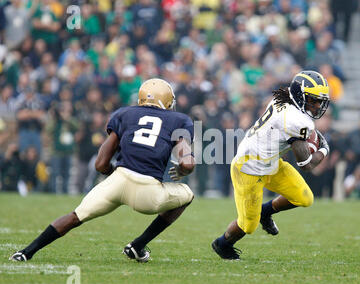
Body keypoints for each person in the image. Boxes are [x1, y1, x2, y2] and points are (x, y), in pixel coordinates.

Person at [9, 78, 196, 263]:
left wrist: (113, 172)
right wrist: (181, 170)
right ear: (168, 101)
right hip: (148, 193)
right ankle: (138, 245)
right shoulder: (180, 120)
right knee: (187, 195)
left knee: (75, 217)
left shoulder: (124, 114)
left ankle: (26, 252)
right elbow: (187, 164)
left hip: (117, 181)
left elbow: (100, 164)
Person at [211, 71, 331, 260]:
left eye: (319, 101)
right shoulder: (296, 120)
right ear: (300, 96)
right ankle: (223, 244)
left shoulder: (284, 99)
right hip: (248, 168)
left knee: (304, 198)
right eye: (313, 100)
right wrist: (324, 149)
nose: (317, 106)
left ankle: (265, 212)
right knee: (248, 226)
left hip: (271, 163)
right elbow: (306, 163)